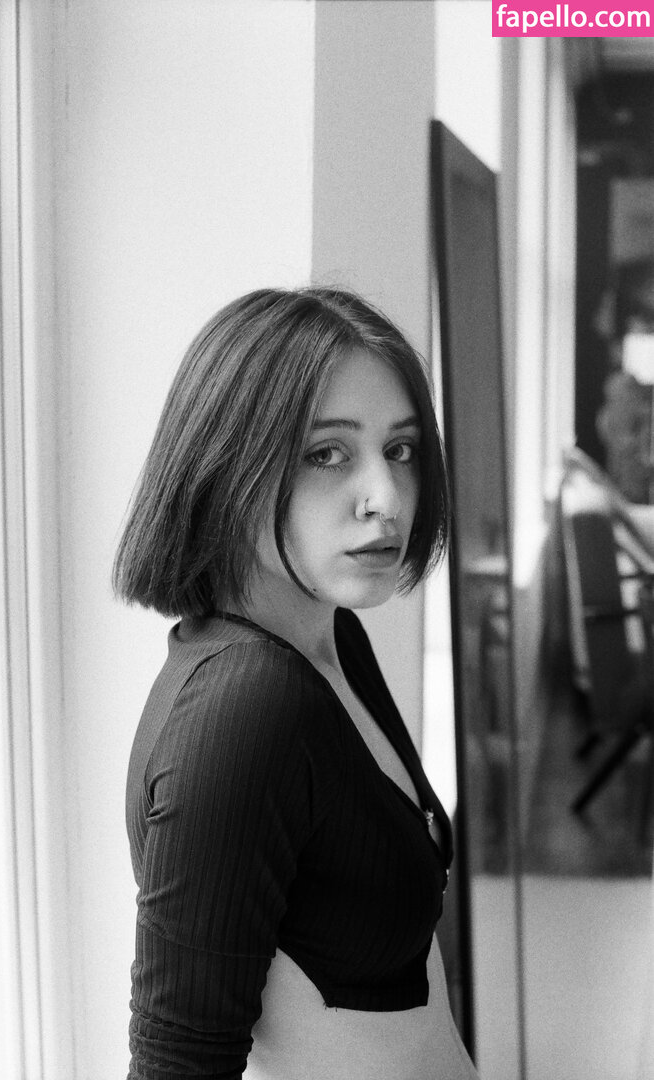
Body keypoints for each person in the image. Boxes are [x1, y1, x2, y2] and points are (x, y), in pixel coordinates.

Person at [113, 286, 479, 1080]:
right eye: (327, 454)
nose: (386, 499)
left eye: (401, 450)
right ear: (226, 465)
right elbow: (177, 1063)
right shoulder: (247, 707)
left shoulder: (335, 637)